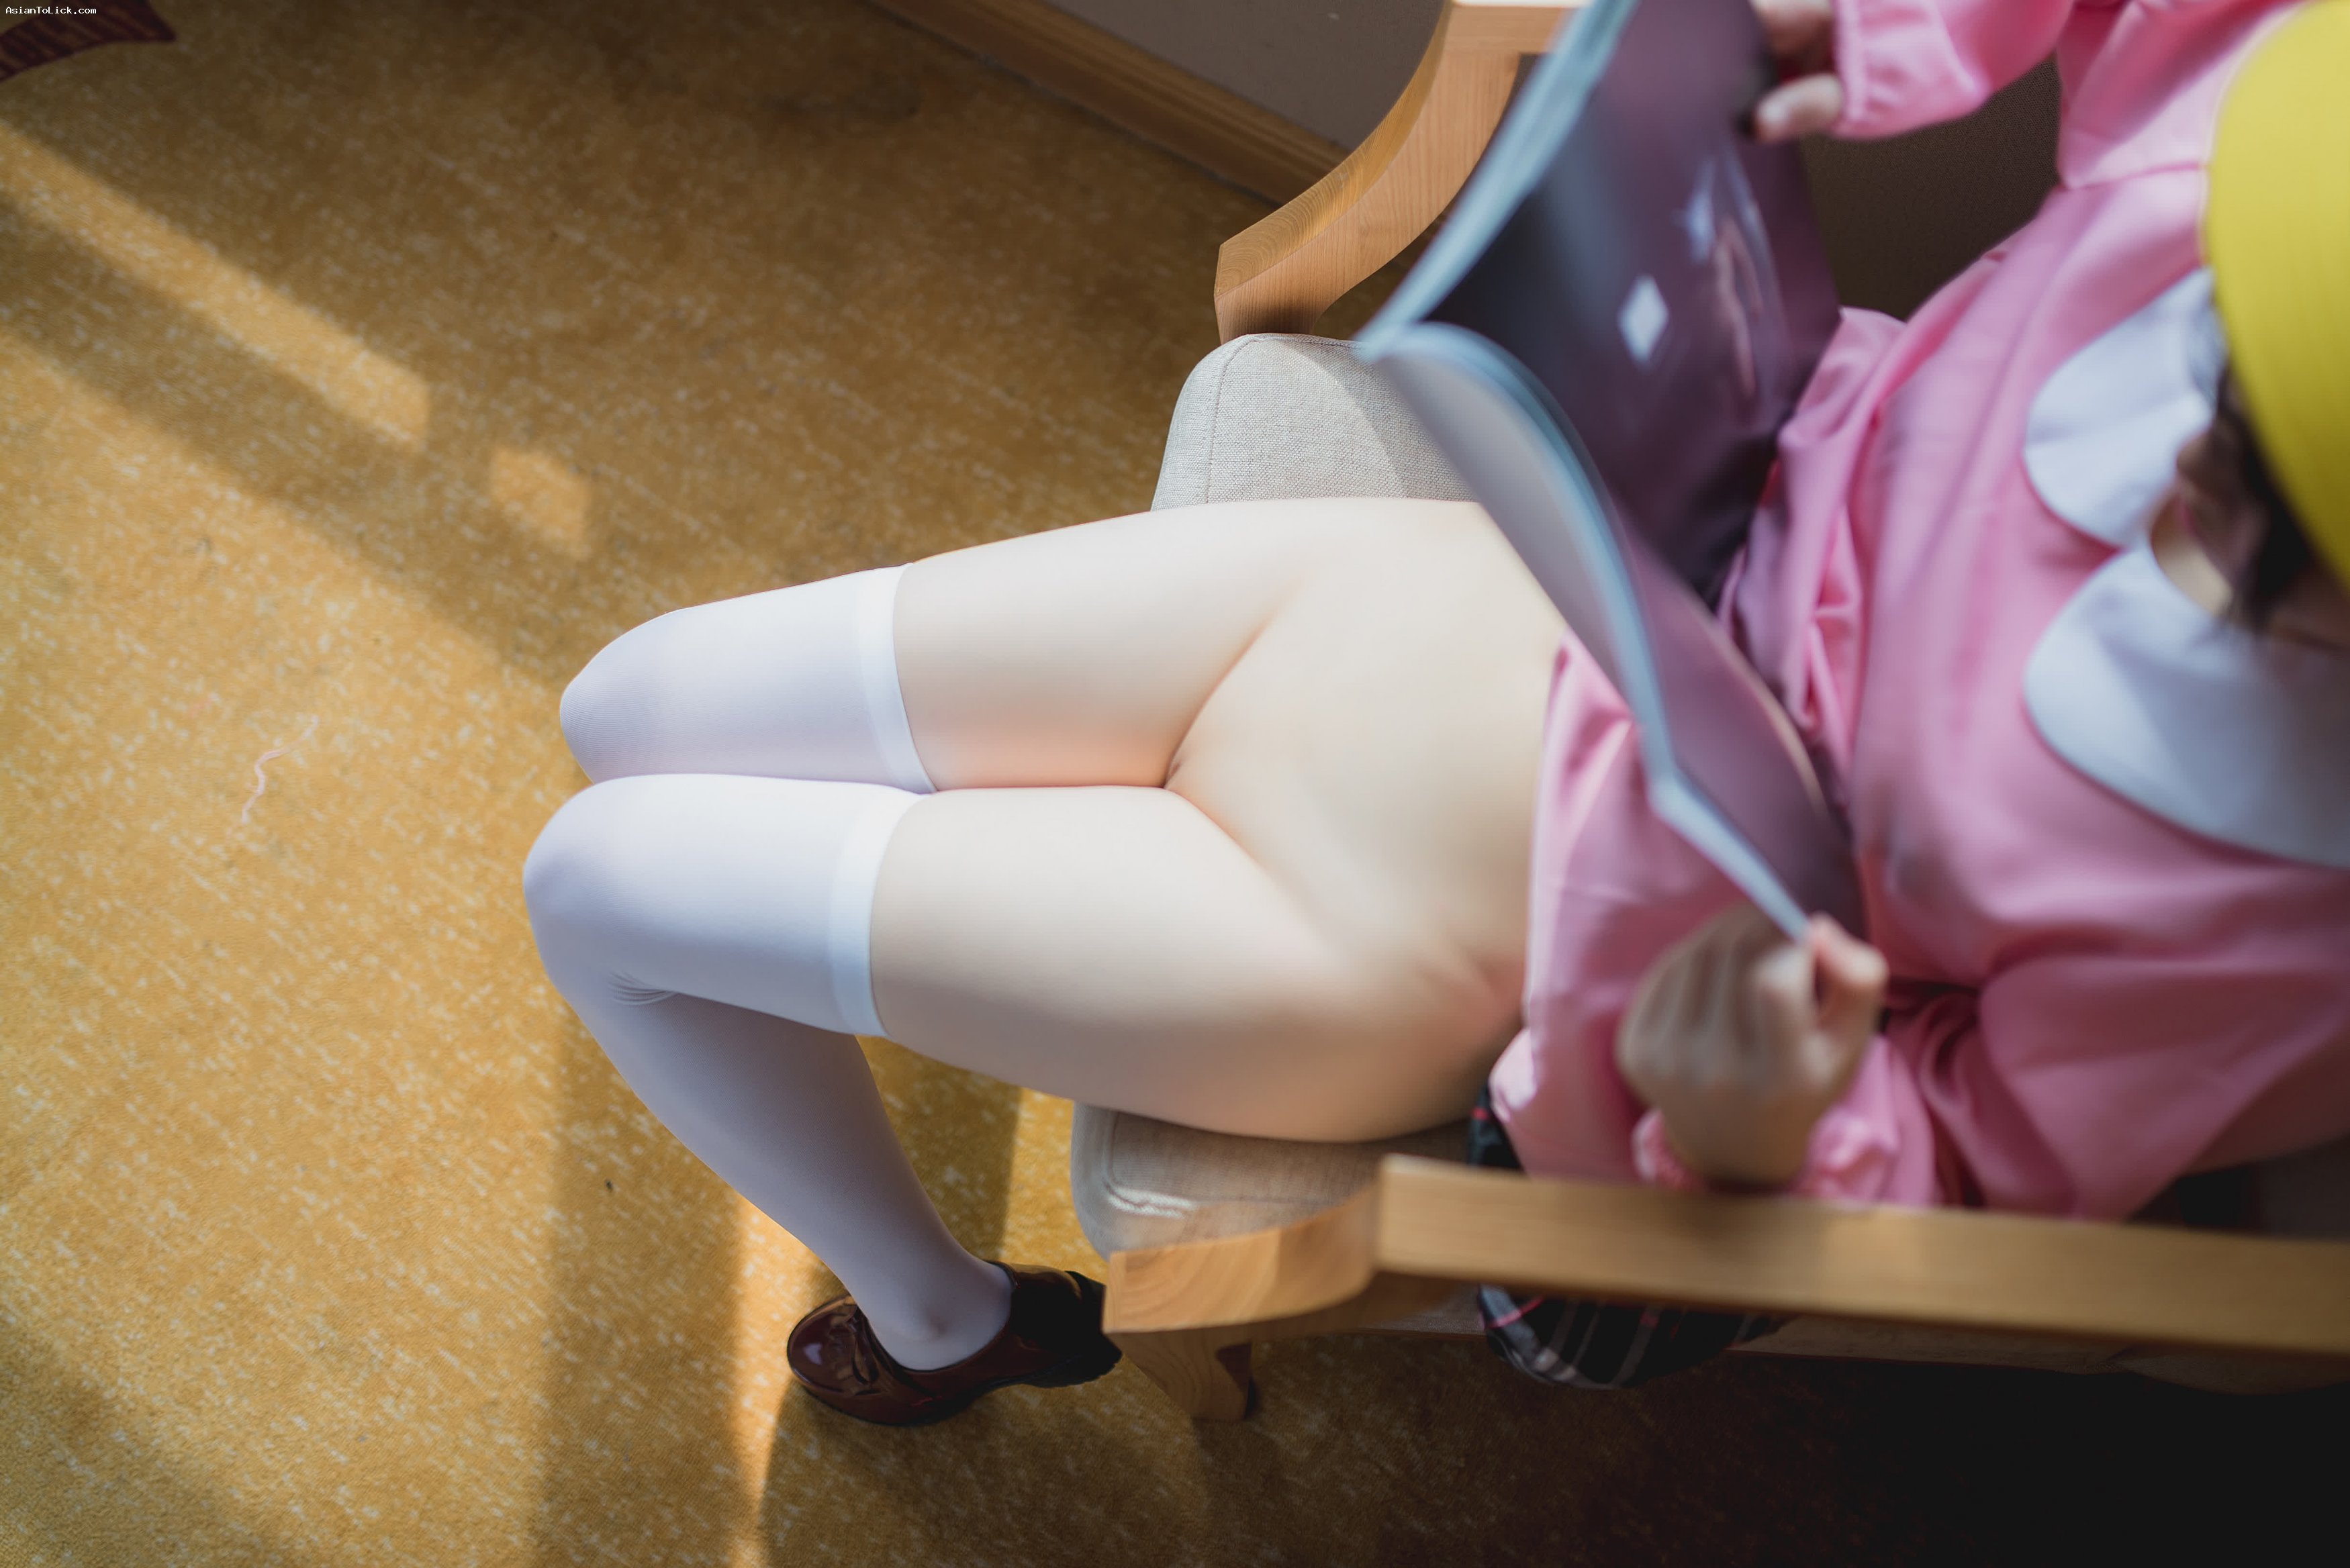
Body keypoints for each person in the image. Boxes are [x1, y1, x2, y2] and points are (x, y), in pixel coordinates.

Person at [524, 0, 2350, 1424]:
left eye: (2274, 479)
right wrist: (1849, 31)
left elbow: (1982, 1165)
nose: (2194, 431)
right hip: (1426, 597)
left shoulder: (2272, 929)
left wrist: (1756, 1130)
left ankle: (948, 1319)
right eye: (2227, 343)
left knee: (598, 883)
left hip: (1391, 931)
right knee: (631, 702)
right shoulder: (2266, 174)